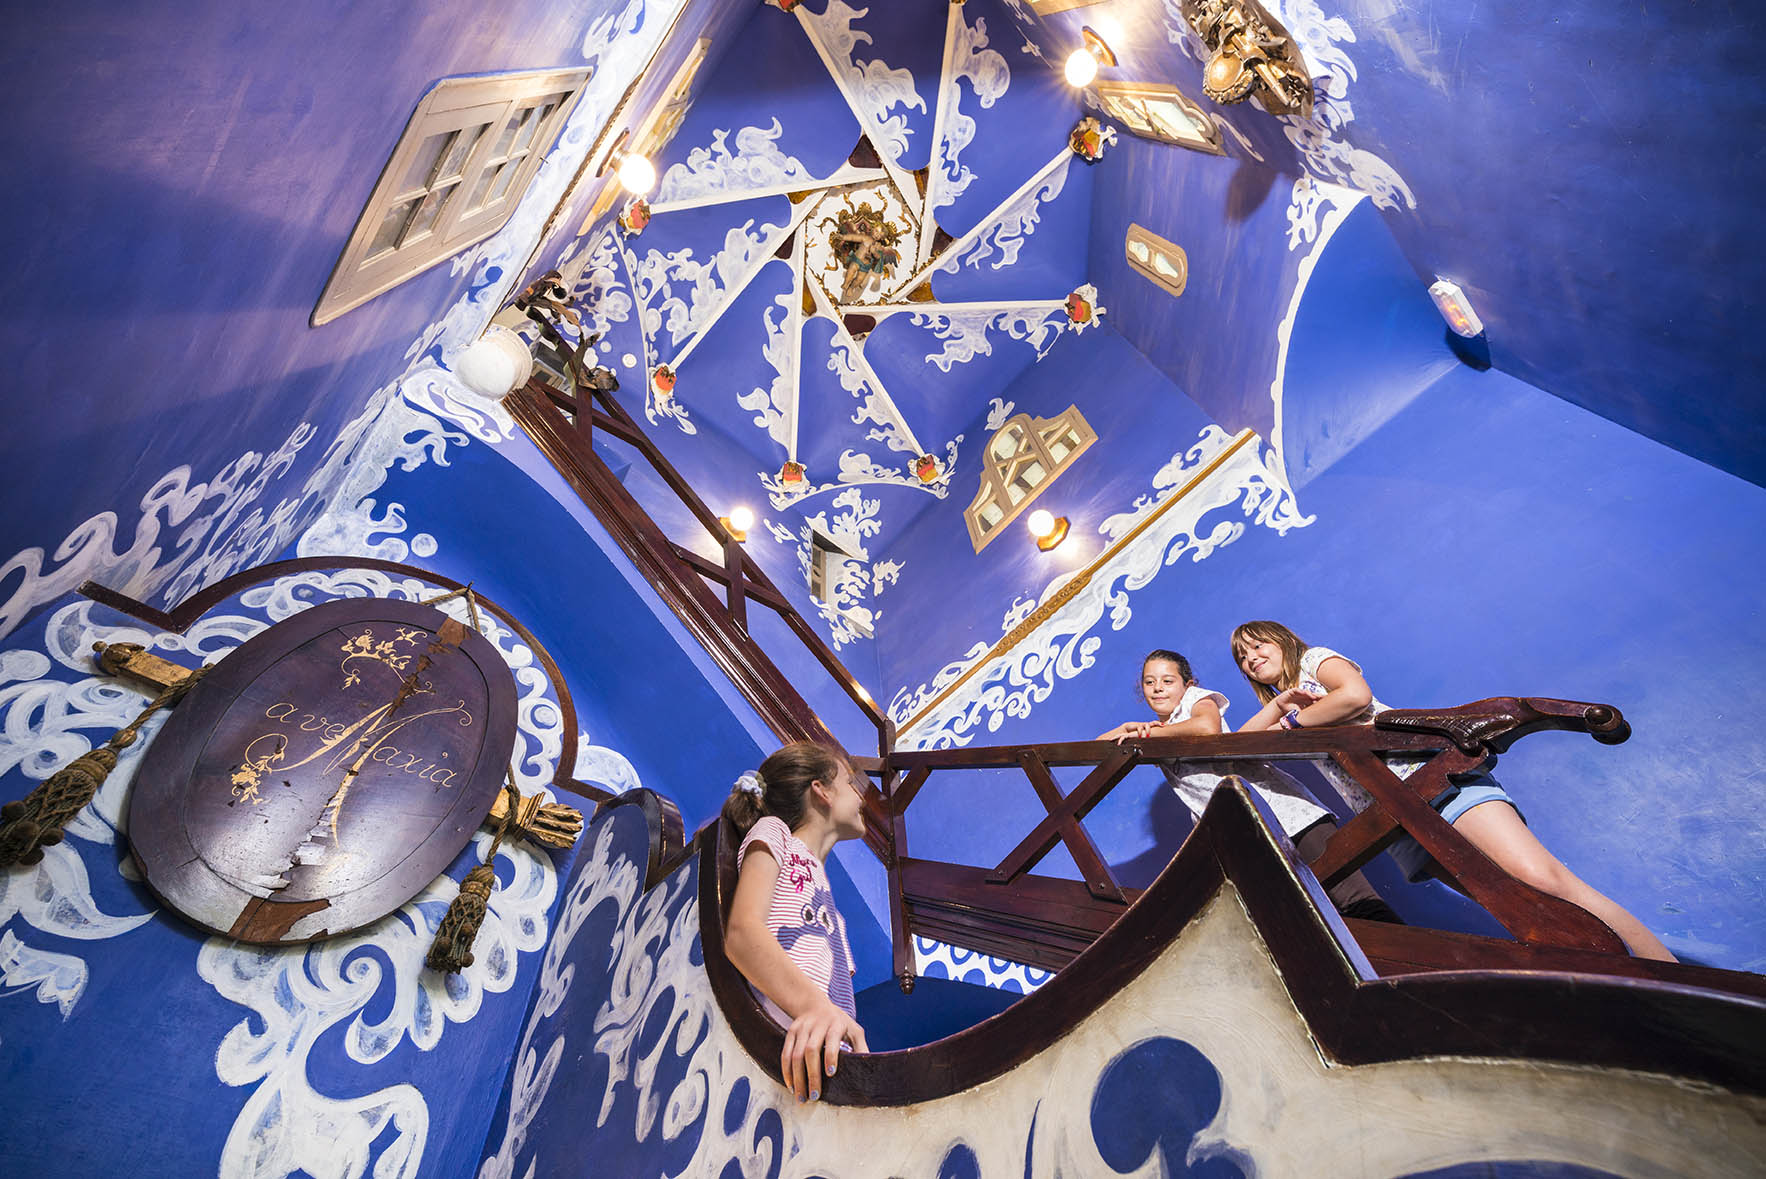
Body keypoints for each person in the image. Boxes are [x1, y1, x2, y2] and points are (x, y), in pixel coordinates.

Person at [1230, 620, 1676, 962]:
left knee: (1545, 880)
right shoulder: (1288, 706)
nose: (1252, 658)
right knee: (1516, 909)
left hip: (1432, 778)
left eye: (1258, 645)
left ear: (1282, 640)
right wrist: (1279, 704)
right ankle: (1630, 989)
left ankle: (1670, 971)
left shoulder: (1314, 662)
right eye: (1243, 658)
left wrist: (1291, 722)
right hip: (1391, 816)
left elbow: (1353, 695)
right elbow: (1238, 749)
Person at [1099, 649, 1401, 923]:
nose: (1158, 688)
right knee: (1307, 925)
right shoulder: (1156, 731)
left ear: (1188, 685)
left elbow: (1207, 727)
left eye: (1167, 680)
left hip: (1289, 815)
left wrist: (1148, 735)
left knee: (1357, 902)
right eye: (1149, 682)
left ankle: (1413, 964)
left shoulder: (1196, 701)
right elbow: (1099, 750)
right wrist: (1126, 728)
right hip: (1247, 836)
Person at [722, 742, 871, 1101]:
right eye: (850, 782)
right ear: (821, 791)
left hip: (822, 1054)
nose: (862, 796)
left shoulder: (834, 911)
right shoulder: (775, 833)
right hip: (782, 1042)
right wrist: (814, 1008)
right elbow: (743, 932)